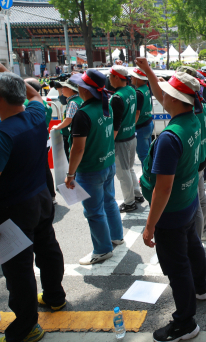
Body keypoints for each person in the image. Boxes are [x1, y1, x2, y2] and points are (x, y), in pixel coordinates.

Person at [0, 64, 66, 342]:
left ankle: (27, 328)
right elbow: (37, 97)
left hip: (12, 209)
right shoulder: (38, 115)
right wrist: (12, 76)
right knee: (47, 248)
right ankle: (54, 296)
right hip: (40, 198)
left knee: (18, 269)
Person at [135, 58, 206, 342]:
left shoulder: (169, 137)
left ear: (175, 99)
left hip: (171, 211)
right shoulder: (193, 118)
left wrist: (150, 225)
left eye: (165, 93)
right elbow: (161, 92)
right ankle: (201, 287)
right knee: (193, 247)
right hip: (188, 201)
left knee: (177, 268)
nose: (160, 96)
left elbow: (162, 189)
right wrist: (150, 72)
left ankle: (185, 323)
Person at [65, 69, 123, 265]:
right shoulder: (106, 106)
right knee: (109, 202)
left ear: (85, 90)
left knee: (94, 211)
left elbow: (77, 149)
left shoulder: (83, 114)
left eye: (80, 85)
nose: (78, 88)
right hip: (107, 163)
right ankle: (116, 236)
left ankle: (102, 249)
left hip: (90, 170)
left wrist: (70, 174)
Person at [177, 66, 206, 242]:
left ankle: (199, 234)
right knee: (201, 194)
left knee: (196, 200)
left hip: (194, 158)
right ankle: (204, 230)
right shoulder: (202, 100)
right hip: (200, 155)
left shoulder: (192, 105)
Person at [108, 65, 145, 213]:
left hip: (121, 140)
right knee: (129, 169)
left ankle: (129, 202)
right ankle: (136, 195)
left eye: (110, 76)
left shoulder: (117, 97)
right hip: (131, 136)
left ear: (117, 77)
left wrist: (109, 143)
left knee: (123, 173)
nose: (109, 80)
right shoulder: (131, 90)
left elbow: (115, 125)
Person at [50, 79, 82, 161]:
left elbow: (68, 120)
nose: (61, 89)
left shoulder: (72, 103)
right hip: (79, 134)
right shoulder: (80, 99)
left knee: (72, 159)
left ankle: (73, 174)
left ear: (70, 89)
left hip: (70, 135)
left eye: (63, 87)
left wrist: (57, 126)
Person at [131, 68, 154, 168]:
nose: (131, 78)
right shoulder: (146, 88)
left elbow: (137, 112)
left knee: (143, 155)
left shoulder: (138, 92)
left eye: (133, 76)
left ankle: (147, 178)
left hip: (141, 126)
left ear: (139, 79)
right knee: (148, 154)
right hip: (148, 123)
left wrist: (132, 127)